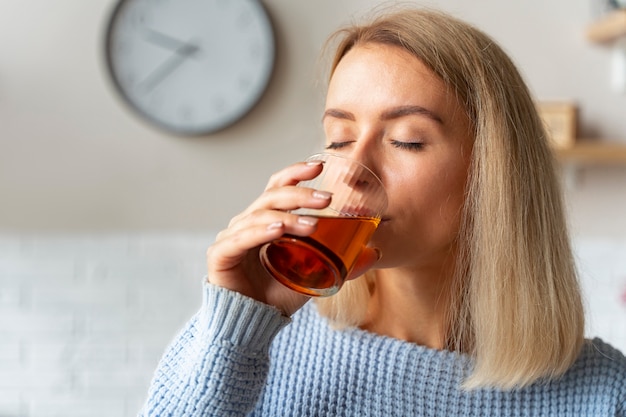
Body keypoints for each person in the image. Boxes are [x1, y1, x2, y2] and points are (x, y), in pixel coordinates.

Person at [139, 6, 626, 417]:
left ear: (494, 170)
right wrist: (236, 330)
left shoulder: (602, 393)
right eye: (339, 139)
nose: (352, 168)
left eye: (406, 140)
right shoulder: (249, 345)